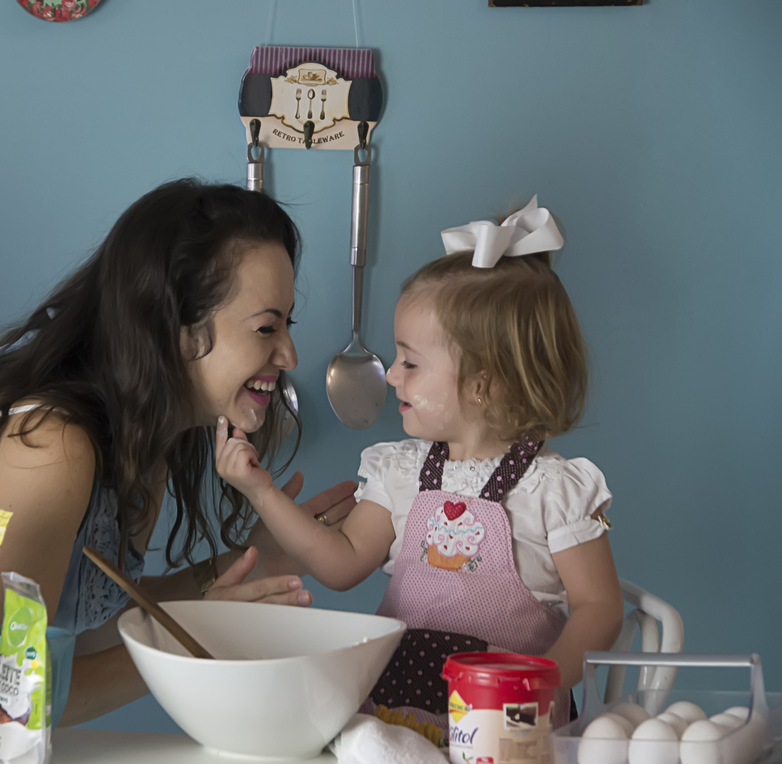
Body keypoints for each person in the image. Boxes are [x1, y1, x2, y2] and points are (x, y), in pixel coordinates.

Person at [0, 179, 357, 725]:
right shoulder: (51, 445)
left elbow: (94, 616)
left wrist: (251, 560)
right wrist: (192, 639)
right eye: (267, 326)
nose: (288, 352)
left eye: (288, 323)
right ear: (176, 329)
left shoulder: (145, 445)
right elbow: (0, 698)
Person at [215, 197, 624, 729]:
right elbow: (340, 562)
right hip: (398, 709)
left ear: (484, 382)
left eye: (410, 361)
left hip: (507, 723)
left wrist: (539, 680)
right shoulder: (401, 472)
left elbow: (600, 608)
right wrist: (262, 491)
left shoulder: (554, 488)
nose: (391, 375)